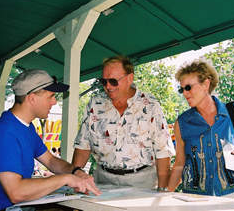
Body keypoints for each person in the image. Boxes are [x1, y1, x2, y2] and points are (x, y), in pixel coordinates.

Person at [0, 69, 101, 211]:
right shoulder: (4, 133)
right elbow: (16, 193)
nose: (54, 102)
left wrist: (76, 172)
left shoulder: (26, 127)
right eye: (51, 96)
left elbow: (50, 161)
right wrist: (66, 179)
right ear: (31, 98)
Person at [72, 56, 175, 190]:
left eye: (113, 81)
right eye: (104, 81)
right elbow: (83, 146)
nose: (108, 86)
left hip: (142, 182)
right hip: (103, 180)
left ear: (129, 78)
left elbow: (162, 151)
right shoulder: (95, 104)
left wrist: (162, 190)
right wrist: (74, 179)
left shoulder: (150, 105)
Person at [167, 60, 234, 196]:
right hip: (193, 199)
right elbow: (179, 164)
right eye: (181, 89)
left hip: (232, 197)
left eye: (188, 87)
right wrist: (164, 193)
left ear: (206, 84)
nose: (184, 93)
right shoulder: (182, 123)